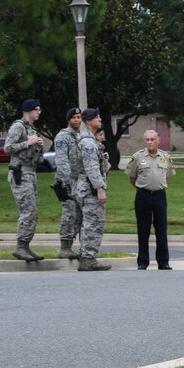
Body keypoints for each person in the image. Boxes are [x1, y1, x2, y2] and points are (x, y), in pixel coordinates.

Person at [125, 130, 175, 270]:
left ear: (158, 140)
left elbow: (167, 177)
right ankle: (142, 262)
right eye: (147, 139)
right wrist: (144, 188)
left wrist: (157, 187)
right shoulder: (137, 157)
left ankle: (163, 262)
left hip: (160, 196)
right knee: (143, 229)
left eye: (152, 139)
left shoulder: (165, 157)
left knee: (161, 229)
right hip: (143, 196)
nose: (149, 142)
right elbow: (132, 178)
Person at [4, 99, 45, 261]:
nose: (39, 112)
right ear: (28, 110)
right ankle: (21, 247)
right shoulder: (18, 127)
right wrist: (28, 142)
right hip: (19, 174)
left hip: (30, 173)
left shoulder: (31, 128)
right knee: (28, 210)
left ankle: (25, 246)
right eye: (37, 109)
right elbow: (7, 148)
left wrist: (38, 144)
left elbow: (37, 158)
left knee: (33, 211)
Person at [74, 108, 111, 271]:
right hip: (90, 190)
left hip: (86, 188)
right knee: (93, 223)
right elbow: (91, 168)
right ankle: (89, 258)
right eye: (97, 117)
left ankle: (85, 256)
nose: (100, 118)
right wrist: (100, 189)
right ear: (88, 121)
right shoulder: (88, 142)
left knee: (88, 223)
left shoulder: (89, 140)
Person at [53, 107, 83, 259]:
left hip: (78, 182)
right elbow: (61, 160)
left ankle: (70, 246)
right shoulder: (62, 137)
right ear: (68, 120)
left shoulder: (80, 136)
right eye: (74, 117)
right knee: (69, 213)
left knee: (78, 215)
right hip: (66, 183)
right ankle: (64, 248)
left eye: (79, 117)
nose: (77, 120)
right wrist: (68, 181)